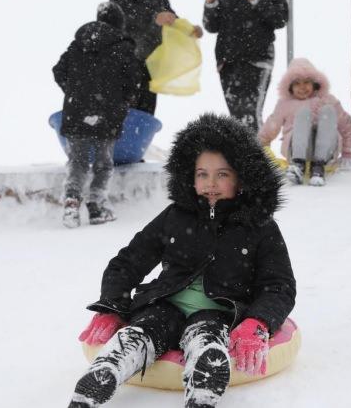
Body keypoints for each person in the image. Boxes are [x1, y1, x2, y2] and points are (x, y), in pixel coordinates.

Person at [67, 114, 296, 407]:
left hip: (220, 310)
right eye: (202, 174)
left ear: (242, 177)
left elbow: (279, 285)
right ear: (190, 175)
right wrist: (112, 304)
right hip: (167, 302)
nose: (210, 183)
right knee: (146, 328)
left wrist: (258, 321)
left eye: (222, 174)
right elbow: (128, 261)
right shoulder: (176, 217)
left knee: (207, 332)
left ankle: (205, 378)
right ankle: (109, 368)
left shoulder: (259, 226)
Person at [53, 2, 140, 228]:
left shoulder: (77, 44)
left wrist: (75, 92)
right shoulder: (122, 46)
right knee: (103, 162)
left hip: (76, 111)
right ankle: (96, 206)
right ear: (119, 23)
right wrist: (124, 98)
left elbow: (58, 70)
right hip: (107, 113)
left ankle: (71, 203)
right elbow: (133, 81)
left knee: (78, 161)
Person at [258, 58, 351, 186]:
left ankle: (318, 166)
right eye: (297, 83)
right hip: (297, 149)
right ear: (290, 87)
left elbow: (347, 127)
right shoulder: (285, 104)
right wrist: (259, 147)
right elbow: (271, 126)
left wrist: (348, 152)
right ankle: (299, 165)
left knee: (328, 110)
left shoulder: (328, 99)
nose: (302, 87)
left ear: (315, 84)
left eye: (306, 82)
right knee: (304, 113)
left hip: (326, 151)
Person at [203, 0, 289, 131]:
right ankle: (241, 152)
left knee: (250, 114)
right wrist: (211, 4)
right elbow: (211, 26)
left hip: (258, 58)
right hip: (228, 61)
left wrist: (257, 0)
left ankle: (255, 152)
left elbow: (281, 18)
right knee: (236, 117)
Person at [110, 0, 203, 115]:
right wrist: (153, 17)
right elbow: (119, 11)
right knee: (126, 114)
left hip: (150, 61)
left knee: (145, 115)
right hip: (128, 60)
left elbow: (168, 16)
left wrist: (187, 29)